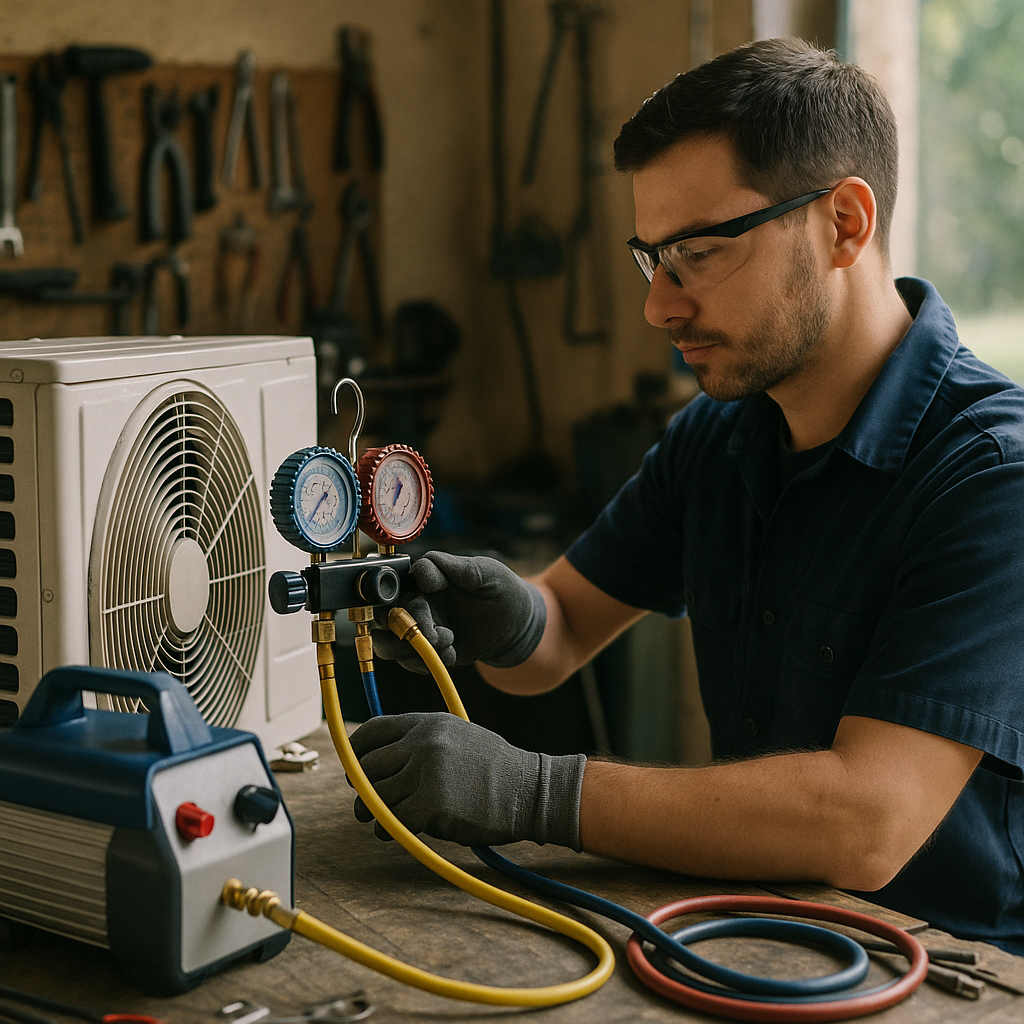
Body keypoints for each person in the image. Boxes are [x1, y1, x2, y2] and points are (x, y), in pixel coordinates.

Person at [351, 37, 1024, 954]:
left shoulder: (990, 476)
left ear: (844, 225)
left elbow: (866, 823)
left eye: (698, 254)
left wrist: (533, 792)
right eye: (651, 258)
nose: (658, 308)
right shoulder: (721, 437)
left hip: (954, 970)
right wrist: (507, 618)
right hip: (759, 928)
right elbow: (555, 641)